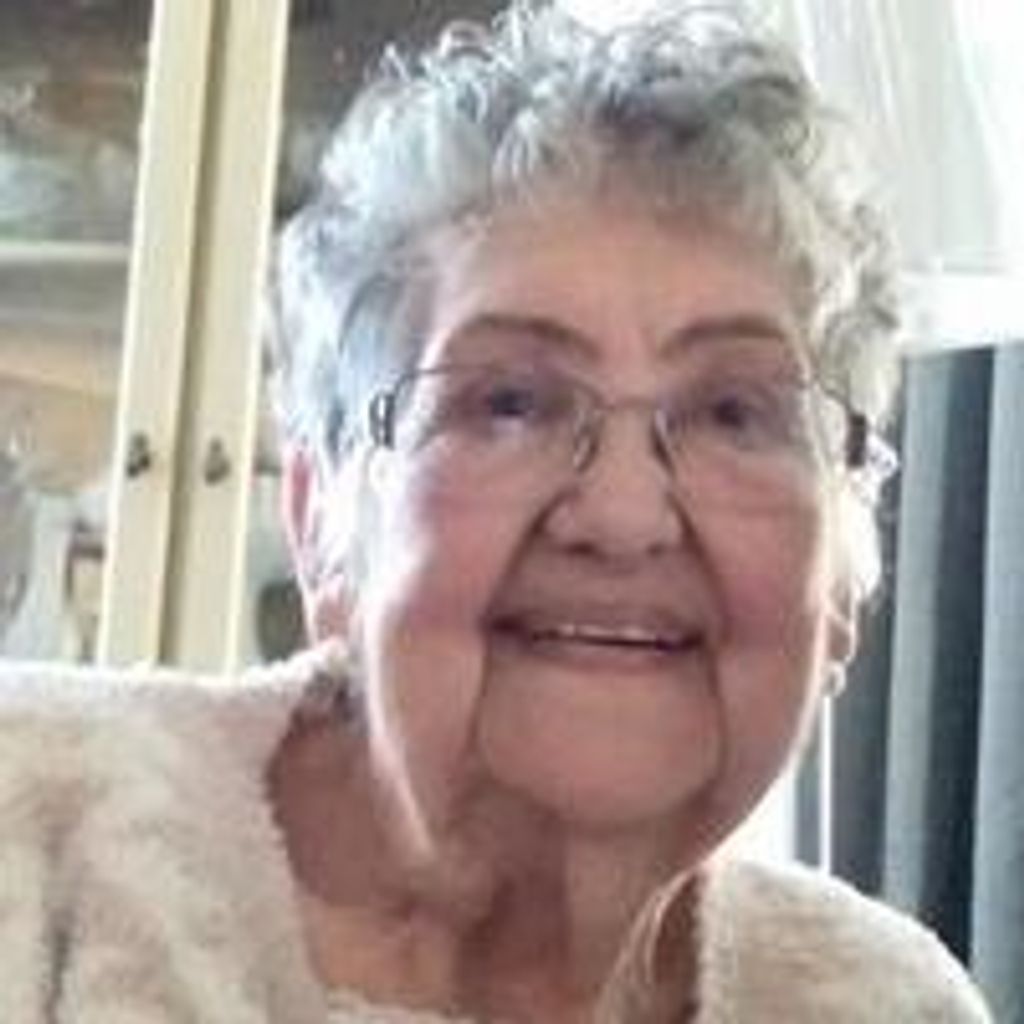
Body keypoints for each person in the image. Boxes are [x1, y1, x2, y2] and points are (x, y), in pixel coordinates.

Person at [0, 2, 992, 1021]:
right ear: (322, 521)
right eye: (509, 404)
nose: (623, 515)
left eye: (735, 415)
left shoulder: (875, 1000)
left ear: (844, 581)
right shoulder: (36, 840)